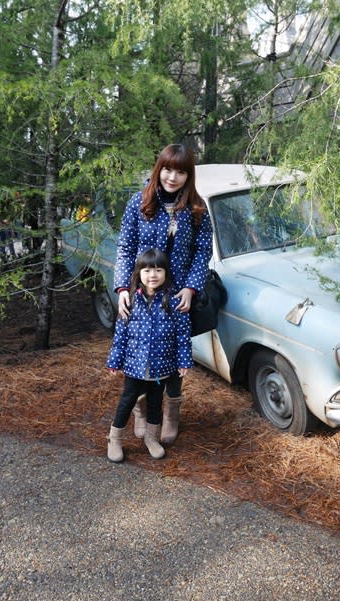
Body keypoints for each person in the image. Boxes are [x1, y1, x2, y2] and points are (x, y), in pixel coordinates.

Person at [113, 144, 213, 444]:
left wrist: (190, 288)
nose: (173, 177)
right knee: (141, 350)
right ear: (159, 169)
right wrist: (122, 289)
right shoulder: (139, 202)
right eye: (168, 169)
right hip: (142, 292)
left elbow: (202, 251)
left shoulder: (197, 207)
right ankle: (141, 410)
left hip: (177, 296)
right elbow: (125, 247)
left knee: (172, 354)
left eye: (181, 172)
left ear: (188, 175)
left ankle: (170, 413)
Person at [105, 249, 192, 462]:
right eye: (147, 270)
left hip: (161, 365)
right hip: (135, 366)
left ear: (165, 273)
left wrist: (183, 361)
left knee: (155, 402)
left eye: (158, 270)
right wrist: (114, 361)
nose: (153, 275)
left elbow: (182, 337)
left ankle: (151, 438)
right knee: (128, 400)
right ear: (139, 273)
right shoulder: (131, 302)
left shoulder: (173, 302)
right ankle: (115, 439)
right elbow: (121, 336)